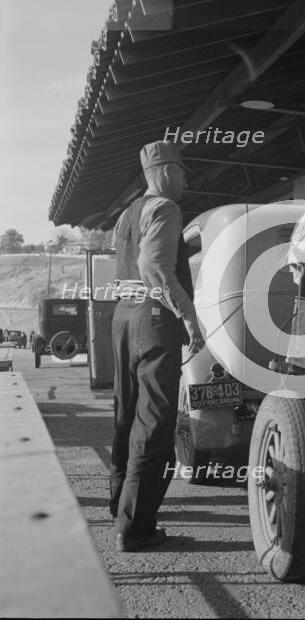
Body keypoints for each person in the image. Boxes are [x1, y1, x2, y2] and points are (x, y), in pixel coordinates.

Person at [110, 140, 203, 551]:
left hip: (123, 319)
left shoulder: (125, 215)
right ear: (164, 171)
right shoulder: (164, 208)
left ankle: (120, 508)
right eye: (182, 171)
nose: (185, 180)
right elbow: (155, 269)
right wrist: (188, 317)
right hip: (152, 319)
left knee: (127, 413)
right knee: (155, 423)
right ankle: (137, 528)